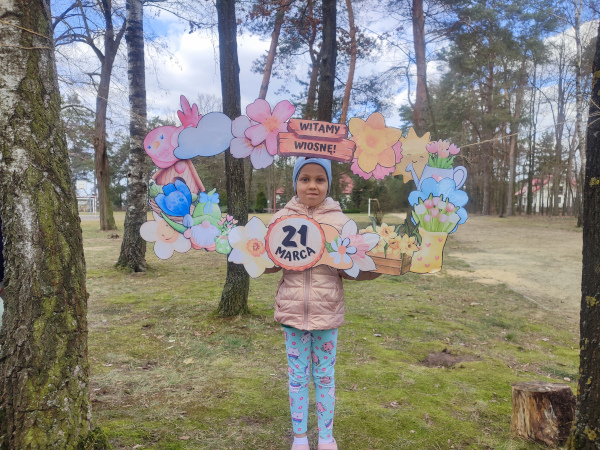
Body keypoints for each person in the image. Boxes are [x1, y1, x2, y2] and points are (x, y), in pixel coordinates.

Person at [266, 157, 379, 450]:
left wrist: (373, 267)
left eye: (320, 179)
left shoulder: (341, 223)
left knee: (325, 377)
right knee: (297, 377)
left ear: (329, 184)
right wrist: (250, 254)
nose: (312, 186)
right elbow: (269, 263)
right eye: (305, 179)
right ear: (295, 182)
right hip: (292, 312)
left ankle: (326, 437)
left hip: (327, 312)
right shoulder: (281, 219)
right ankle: (300, 438)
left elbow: (352, 268)